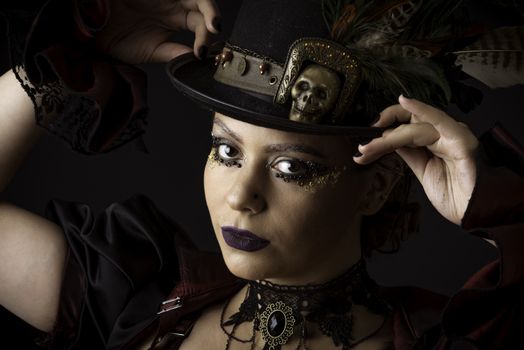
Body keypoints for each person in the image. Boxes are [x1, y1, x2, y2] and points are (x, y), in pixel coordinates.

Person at [0, 0, 523, 349]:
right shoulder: (136, 301)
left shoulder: (448, 339)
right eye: (226, 151)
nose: (242, 195)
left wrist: (498, 211)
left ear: (378, 185)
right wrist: (77, 50)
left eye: (291, 166)